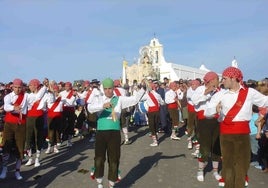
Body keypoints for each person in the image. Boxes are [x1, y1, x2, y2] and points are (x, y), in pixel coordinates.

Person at [204, 67, 268, 187]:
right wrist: (215, 109)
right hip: (225, 134)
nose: (222, 81)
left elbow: (265, 101)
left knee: (242, 164)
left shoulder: (249, 92)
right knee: (228, 164)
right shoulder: (220, 94)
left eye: (225, 78)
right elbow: (206, 113)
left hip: (243, 134)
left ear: (234, 78)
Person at [88, 78, 144, 188]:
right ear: (103, 89)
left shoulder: (120, 100)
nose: (108, 91)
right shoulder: (99, 99)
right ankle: (99, 183)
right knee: (99, 158)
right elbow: (90, 108)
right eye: (106, 89)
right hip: (101, 132)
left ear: (113, 88)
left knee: (114, 159)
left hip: (114, 133)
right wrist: (102, 106)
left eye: (110, 88)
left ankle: (111, 184)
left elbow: (135, 99)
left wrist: (142, 88)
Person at [191, 71, 222, 182]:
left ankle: (215, 171)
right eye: (217, 79)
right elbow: (194, 101)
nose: (219, 81)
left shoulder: (220, 91)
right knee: (204, 147)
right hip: (204, 121)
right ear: (212, 80)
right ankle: (200, 170)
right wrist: (206, 92)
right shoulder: (200, 89)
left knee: (217, 146)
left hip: (217, 120)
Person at [0, 79, 28, 180]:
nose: (17, 89)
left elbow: (24, 109)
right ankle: (4, 169)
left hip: (21, 124)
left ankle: (17, 171)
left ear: (22, 87)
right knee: (6, 146)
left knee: (20, 148)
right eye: (15, 87)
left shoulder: (26, 96)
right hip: (9, 124)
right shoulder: (8, 96)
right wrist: (14, 108)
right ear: (12, 87)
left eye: (19, 87)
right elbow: (7, 107)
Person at [24, 79, 48, 167]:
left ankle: (37, 158)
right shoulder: (28, 95)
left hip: (40, 117)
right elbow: (36, 98)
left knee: (39, 138)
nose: (29, 87)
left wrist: (46, 87)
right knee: (28, 138)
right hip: (29, 118)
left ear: (36, 86)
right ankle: (30, 158)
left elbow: (46, 104)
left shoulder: (44, 96)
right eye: (29, 85)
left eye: (31, 85)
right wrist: (45, 87)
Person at [59, 82, 77, 147]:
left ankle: (69, 141)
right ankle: (61, 138)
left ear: (70, 87)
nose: (67, 87)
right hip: (63, 110)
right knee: (63, 124)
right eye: (66, 86)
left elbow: (74, 103)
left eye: (68, 86)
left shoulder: (73, 93)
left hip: (71, 110)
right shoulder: (61, 93)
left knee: (71, 125)